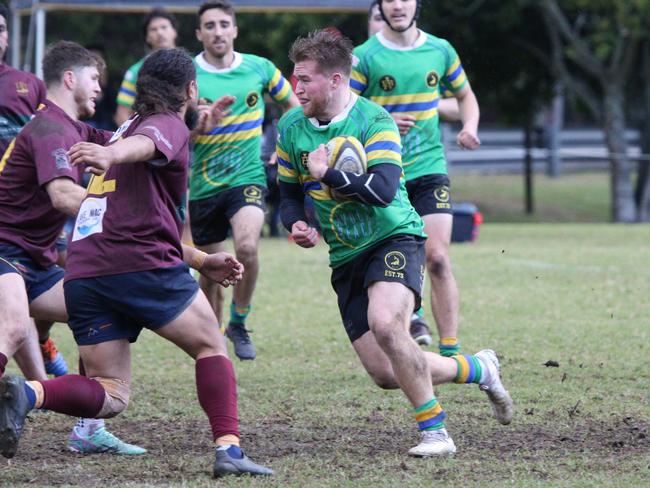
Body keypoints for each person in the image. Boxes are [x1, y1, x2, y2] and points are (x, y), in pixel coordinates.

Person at [0, 47, 273, 478]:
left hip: (86, 271)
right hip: (139, 266)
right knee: (209, 344)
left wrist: (200, 259)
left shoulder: (118, 129)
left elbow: (132, 218)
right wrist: (112, 155)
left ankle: (30, 394)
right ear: (190, 89)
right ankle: (229, 450)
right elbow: (147, 146)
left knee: (111, 392)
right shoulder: (157, 127)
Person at [277, 29, 511, 457]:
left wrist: (327, 174)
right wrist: (296, 225)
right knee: (386, 373)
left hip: (394, 236)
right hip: (346, 252)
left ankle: (435, 432)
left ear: (335, 80)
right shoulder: (291, 125)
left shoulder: (374, 120)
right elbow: (288, 194)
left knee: (388, 325)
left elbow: (383, 189)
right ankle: (477, 367)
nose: (297, 88)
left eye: (306, 79)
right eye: (296, 78)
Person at [0, 40, 145, 455]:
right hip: (4, 249)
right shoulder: (50, 129)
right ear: (70, 79)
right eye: (94, 78)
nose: (100, 86)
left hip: (35, 262)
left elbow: (126, 139)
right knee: (11, 325)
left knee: (98, 306)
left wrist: (185, 123)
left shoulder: (74, 127)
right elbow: (64, 196)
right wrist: (125, 219)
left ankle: (88, 429)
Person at [351, 0, 480, 352]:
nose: (397, 5)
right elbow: (346, 115)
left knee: (437, 257)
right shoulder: (364, 57)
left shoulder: (440, 50)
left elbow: (465, 96)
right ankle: (403, 328)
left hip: (428, 167)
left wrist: (469, 126)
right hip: (382, 173)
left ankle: (450, 349)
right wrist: (384, 123)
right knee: (393, 262)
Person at [190, 1, 299, 360]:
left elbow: (293, 106)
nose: (217, 31)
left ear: (235, 30)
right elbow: (173, 133)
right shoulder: (187, 76)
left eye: (224, 24)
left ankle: (238, 321)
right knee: (209, 272)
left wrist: (284, 142)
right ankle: (213, 342)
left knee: (248, 247)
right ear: (199, 34)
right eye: (210, 26)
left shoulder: (260, 68)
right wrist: (197, 125)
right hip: (204, 184)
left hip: (247, 176)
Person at [0, 4, 72, 378]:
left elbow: (53, 129)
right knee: (11, 299)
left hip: (33, 203)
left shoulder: (26, 83)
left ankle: (42, 344)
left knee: (65, 267)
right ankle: (38, 384)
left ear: (8, 36)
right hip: (6, 216)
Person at [114, 7, 178, 126]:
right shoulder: (135, 71)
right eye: (153, 29)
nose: (159, 32)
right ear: (147, 37)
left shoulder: (194, 66)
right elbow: (122, 114)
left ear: (174, 31)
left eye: (164, 27)